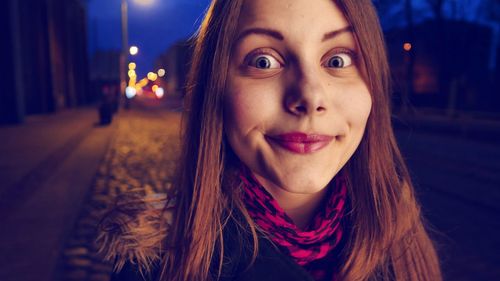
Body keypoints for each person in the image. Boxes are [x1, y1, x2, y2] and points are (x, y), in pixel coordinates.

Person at [97, 0, 442, 280]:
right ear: (215, 86)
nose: (310, 95)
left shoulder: (405, 247)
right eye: (263, 60)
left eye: (338, 59)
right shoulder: (155, 264)